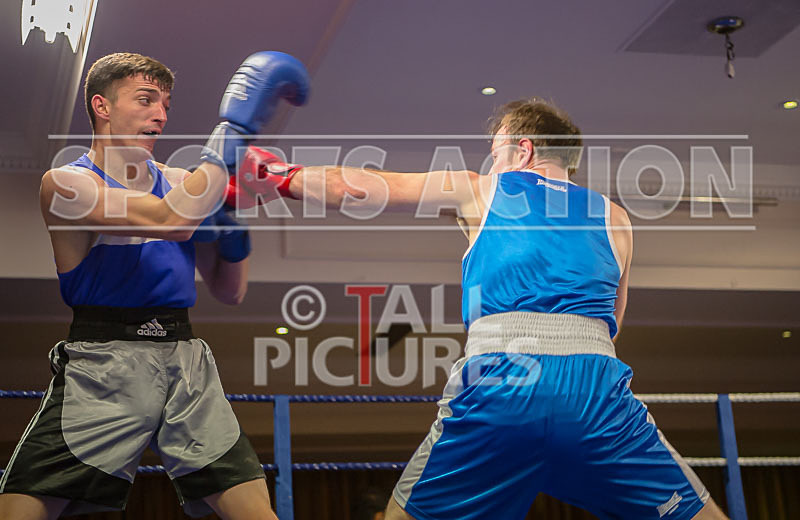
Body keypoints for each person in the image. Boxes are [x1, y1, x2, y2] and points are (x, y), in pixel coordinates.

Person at [230, 98, 729, 519]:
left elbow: (357, 187)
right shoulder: (615, 216)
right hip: (597, 396)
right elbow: (611, 322)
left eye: (495, 153)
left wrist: (275, 173)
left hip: (502, 384)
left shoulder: (482, 188)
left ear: (523, 148)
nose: (489, 164)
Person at [0, 51, 309, 520]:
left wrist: (233, 238)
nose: (160, 114)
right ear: (102, 107)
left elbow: (230, 291)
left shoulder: (184, 182)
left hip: (184, 357)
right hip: (104, 360)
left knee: (255, 510)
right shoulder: (67, 183)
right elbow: (172, 220)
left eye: (165, 103)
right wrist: (232, 132)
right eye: (145, 99)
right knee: (24, 510)